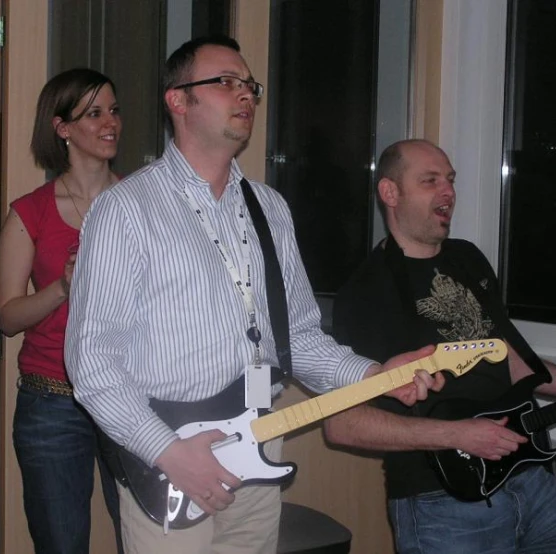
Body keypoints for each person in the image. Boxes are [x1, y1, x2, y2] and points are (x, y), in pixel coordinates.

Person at [64, 36, 437, 554]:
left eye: (250, 86)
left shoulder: (268, 208)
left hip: (258, 447)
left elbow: (299, 338)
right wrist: (168, 452)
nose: (245, 95)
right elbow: (91, 361)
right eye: (225, 82)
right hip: (172, 458)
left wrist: (377, 376)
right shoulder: (126, 210)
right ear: (178, 100)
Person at [326, 139, 556, 554]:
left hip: (528, 481)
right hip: (443, 503)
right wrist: (457, 435)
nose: (448, 192)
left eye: (450, 180)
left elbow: (515, 363)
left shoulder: (467, 259)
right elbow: (342, 424)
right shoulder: (365, 293)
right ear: (390, 193)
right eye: (430, 181)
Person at [0, 68, 123, 554]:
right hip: (51, 401)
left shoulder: (142, 202)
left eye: (113, 110)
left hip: (129, 397)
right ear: (62, 128)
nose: (110, 122)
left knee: (149, 538)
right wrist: (64, 286)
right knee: (62, 545)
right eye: (93, 113)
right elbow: (7, 317)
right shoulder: (30, 211)